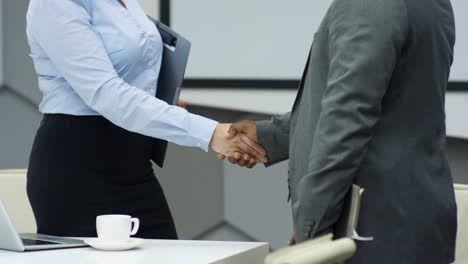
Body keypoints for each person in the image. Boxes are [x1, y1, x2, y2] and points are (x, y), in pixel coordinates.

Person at [221, 0, 457, 262]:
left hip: (371, 231)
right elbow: (396, 109)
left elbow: (346, 124)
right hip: (415, 223)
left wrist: (311, 232)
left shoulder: (367, 5)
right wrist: (268, 137)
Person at [25, 0, 266, 239]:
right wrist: (210, 133)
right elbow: (106, 93)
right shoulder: (54, 3)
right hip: (78, 169)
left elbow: (130, 73)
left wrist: (160, 100)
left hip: (134, 163)